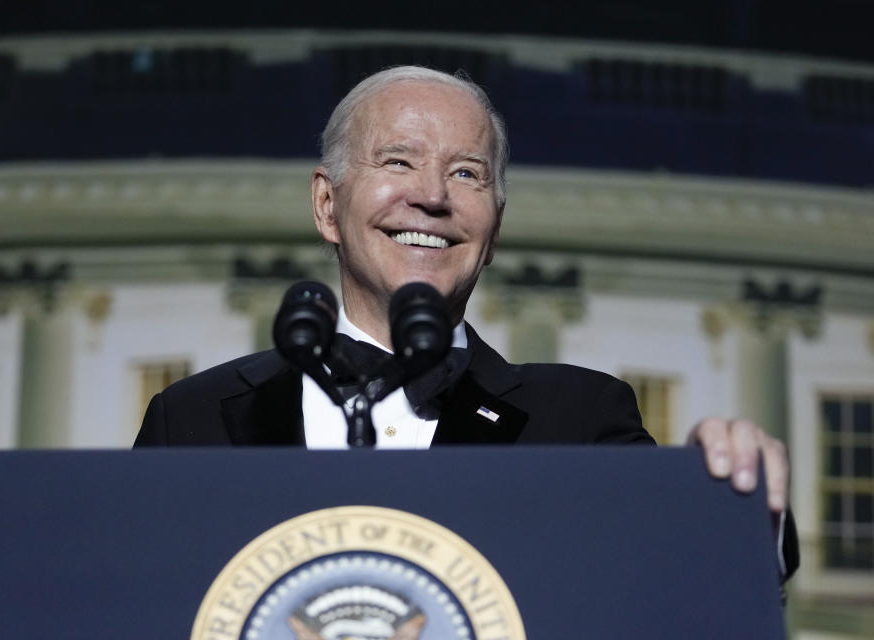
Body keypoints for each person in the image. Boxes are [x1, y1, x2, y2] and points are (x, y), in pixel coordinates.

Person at [135, 66, 796, 576]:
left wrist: (737, 511)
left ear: (495, 226)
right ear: (326, 205)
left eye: (466, 172)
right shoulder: (190, 419)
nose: (431, 195)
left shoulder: (579, 420)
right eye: (399, 160)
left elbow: (677, 592)